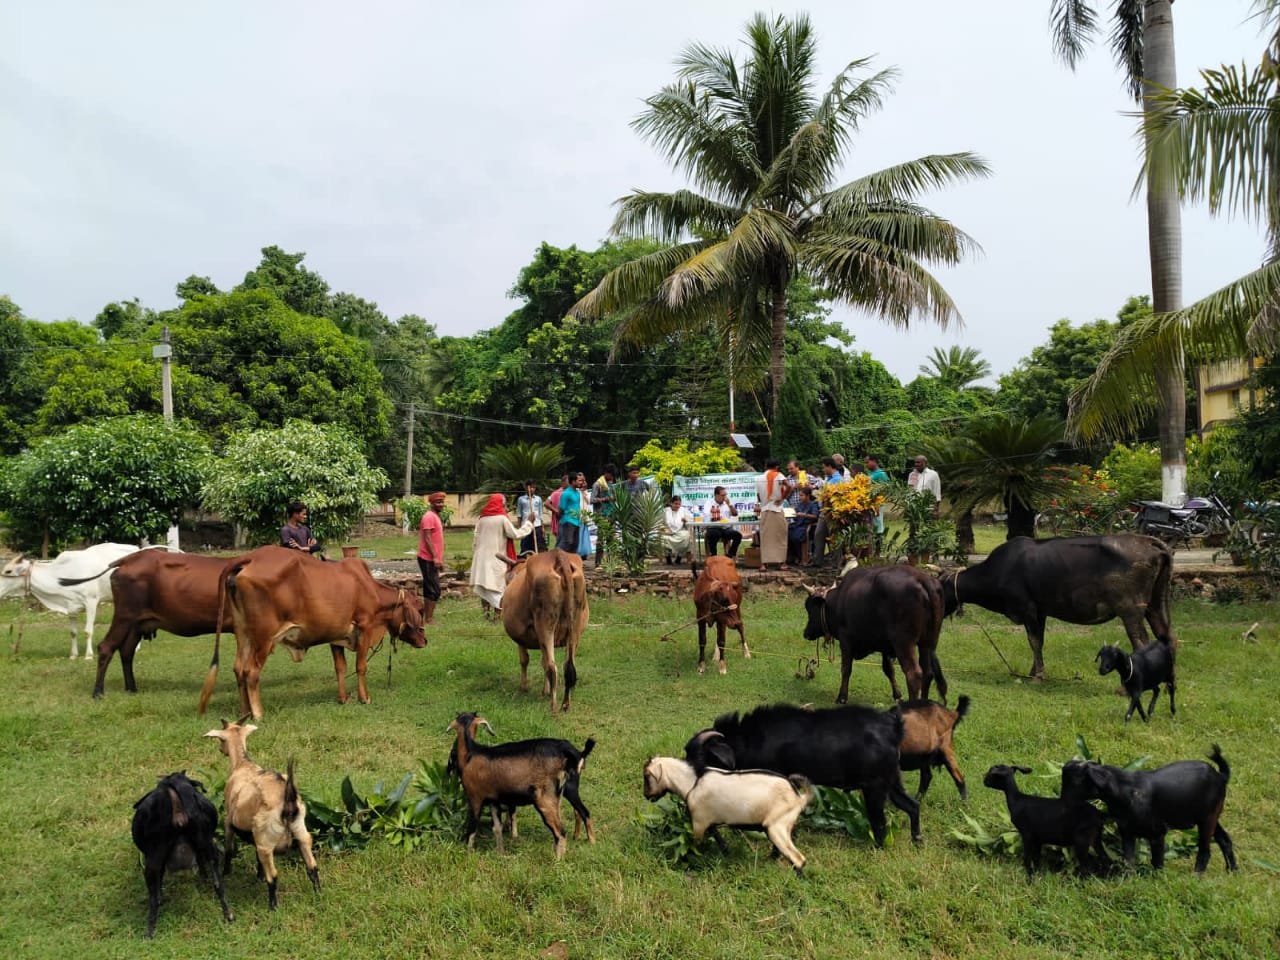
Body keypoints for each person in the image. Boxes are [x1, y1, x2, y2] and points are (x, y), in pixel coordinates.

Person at [470, 494, 533, 614]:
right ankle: (498, 615)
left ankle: (486, 613)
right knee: (497, 586)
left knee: (484, 585)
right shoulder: (502, 518)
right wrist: (529, 523)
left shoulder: (481, 518)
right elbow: (515, 534)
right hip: (496, 558)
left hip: (480, 558)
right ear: (501, 504)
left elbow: (475, 539)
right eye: (504, 505)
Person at [755, 457, 790, 570]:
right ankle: (781, 563)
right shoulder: (778, 475)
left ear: (765, 466)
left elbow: (758, 496)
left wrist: (763, 501)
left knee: (765, 537)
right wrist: (782, 498)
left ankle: (763, 564)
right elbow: (789, 486)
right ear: (777, 467)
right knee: (780, 536)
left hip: (765, 509)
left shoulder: (759, 478)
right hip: (777, 508)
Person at [810, 457, 845, 567]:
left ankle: (836, 562)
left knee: (833, 538)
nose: (823, 470)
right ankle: (817, 561)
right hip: (824, 512)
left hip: (831, 512)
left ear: (829, 466)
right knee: (819, 535)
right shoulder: (828, 479)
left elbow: (833, 496)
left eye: (824, 467)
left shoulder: (837, 479)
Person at [417, 492, 447, 624]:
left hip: (433, 559)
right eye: (438, 502)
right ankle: (428, 619)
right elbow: (427, 538)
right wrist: (435, 558)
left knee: (432, 588)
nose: (441, 504)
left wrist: (439, 559)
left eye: (442, 502)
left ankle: (428, 617)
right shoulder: (429, 516)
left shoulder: (435, 516)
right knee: (433, 589)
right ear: (431, 503)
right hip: (427, 558)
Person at [591, 464, 618, 568]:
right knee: (601, 540)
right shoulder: (597, 484)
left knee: (611, 539)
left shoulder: (611, 483)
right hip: (601, 515)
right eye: (611, 475)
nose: (612, 478)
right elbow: (592, 499)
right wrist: (605, 499)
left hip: (611, 514)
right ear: (606, 473)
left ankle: (611, 562)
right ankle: (598, 563)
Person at [704, 485, 742, 557]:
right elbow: (706, 517)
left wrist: (729, 504)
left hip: (726, 528)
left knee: (738, 535)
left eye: (725, 495)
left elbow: (735, 514)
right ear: (716, 495)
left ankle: (730, 555)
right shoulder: (709, 503)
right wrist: (716, 518)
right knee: (713, 534)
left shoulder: (727, 503)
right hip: (714, 527)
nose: (725, 497)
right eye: (723, 495)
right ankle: (714, 556)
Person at [787, 486, 820, 566]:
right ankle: (794, 556)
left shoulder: (813, 504)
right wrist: (793, 510)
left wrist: (804, 515)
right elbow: (797, 512)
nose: (800, 497)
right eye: (800, 495)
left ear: (808, 496)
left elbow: (815, 516)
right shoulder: (800, 504)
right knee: (787, 532)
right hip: (798, 524)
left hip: (807, 525)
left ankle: (803, 557)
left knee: (798, 535)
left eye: (802, 495)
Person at [864, 455, 890, 552]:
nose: (866, 465)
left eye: (867, 462)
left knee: (878, 525)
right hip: (870, 504)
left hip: (877, 504)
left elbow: (886, 488)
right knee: (873, 525)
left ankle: (878, 551)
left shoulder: (881, 474)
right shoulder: (870, 473)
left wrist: (877, 502)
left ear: (874, 461)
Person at [516, 479, 547, 554]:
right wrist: (520, 527)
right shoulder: (521, 499)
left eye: (534, 488)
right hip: (526, 525)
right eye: (530, 488)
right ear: (526, 488)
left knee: (539, 546)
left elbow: (540, 514)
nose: (532, 489)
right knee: (525, 546)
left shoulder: (538, 499)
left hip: (537, 525)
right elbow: (519, 514)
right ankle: (524, 561)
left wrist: (542, 528)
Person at [556, 473, 584, 554]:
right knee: (567, 542)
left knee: (575, 544)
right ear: (573, 481)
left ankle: (570, 563)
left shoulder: (577, 493)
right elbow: (561, 509)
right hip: (568, 521)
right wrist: (562, 520)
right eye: (578, 481)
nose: (580, 483)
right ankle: (555, 556)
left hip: (577, 521)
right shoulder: (565, 494)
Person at [662, 495, 693, 564]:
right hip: (668, 532)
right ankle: (668, 558)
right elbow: (660, 524)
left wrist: (686, 521)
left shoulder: (683, 510)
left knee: (686, 536)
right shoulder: (665, 511)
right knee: (664, 538)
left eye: (679, 504)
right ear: (671, 503)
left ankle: (679, 557)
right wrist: (665, 529)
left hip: (680, 532)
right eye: (676, 504)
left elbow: (689, 522)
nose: (677, 506)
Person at [546, 474, 570, 544]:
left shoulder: (571, 492)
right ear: (563, 482)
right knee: (561, 541)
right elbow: (546, 503)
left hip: (570, 520)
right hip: (560, 521)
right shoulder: (556, 493)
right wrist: (555, 510)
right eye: (568, 481)